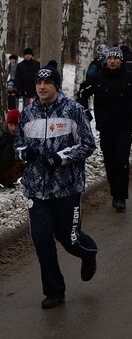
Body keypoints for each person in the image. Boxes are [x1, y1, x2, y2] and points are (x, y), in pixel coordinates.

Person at [14, 66, 97, 308]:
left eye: (47, 83)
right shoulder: (28, 113)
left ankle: (88, 252)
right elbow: (18, 145)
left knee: (68, 238)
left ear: (56, 85)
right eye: (39, 84)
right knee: (41, 239)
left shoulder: (73, 110)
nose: (42, 87)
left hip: (67, 188)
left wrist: (61, 157)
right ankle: (54, 290)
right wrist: (23, 153)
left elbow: (88, 145)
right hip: (36, 189)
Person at [78, 46, 132, 211]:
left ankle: (121, 197)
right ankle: (115, 192)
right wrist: (85, 111)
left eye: (116, 58)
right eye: (110, 58)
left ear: (121, 60)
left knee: (121, 160)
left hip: (124, 125)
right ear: (106, 60)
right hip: (105, 126)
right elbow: (82, 93)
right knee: (110, 161)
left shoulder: (130, 77)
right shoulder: (97, 78)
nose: (112, 61)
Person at [0, 108, 24, 188]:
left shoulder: (23, 136)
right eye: (11, 125)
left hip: (11, 167)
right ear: (7, 124)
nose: (13, 128)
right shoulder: (3, 136)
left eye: (16, 125)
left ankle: (7, 179)